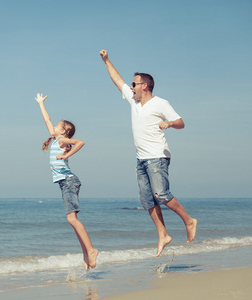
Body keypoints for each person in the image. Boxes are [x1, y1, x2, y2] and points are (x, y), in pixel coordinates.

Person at [99, 49, 197, 257]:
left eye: (134, 84)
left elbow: (181, 123)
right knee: (147, 200)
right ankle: (163, 234)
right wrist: (106, 60)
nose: (131, 87)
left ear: (144, 86)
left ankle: (189, 220)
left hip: (157, 157)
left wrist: (168, 123)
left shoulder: (160, 103)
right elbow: (117, 80)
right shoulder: (134, 103)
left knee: (161, 194)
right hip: (141, 159)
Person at [35, 92, 99, 270]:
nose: (53, 126)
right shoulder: (56, 138)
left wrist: (66, 155)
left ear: (63, 131)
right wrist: (41, 103)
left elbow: (80, 142)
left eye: (57, 125)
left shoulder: (62, 140)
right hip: (66, 183)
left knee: (72, 219)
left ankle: (91, 250)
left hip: (69, 181)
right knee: (72, 220)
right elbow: (47, 120)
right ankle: (86, 254)